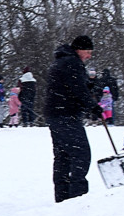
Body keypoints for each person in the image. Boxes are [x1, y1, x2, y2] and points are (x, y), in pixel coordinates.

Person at [44, 35, 103, 203]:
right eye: (87, 51)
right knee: (80, 153)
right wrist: (93, 107)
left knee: (63, 155)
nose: (89, 55)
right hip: (65, 114)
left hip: (56, 115)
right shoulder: (72, 63)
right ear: (78, 49)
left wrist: (89, 84)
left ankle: (62, 196)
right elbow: (77, 90)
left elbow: (71, 85)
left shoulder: (62, 61)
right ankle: (77, 196)